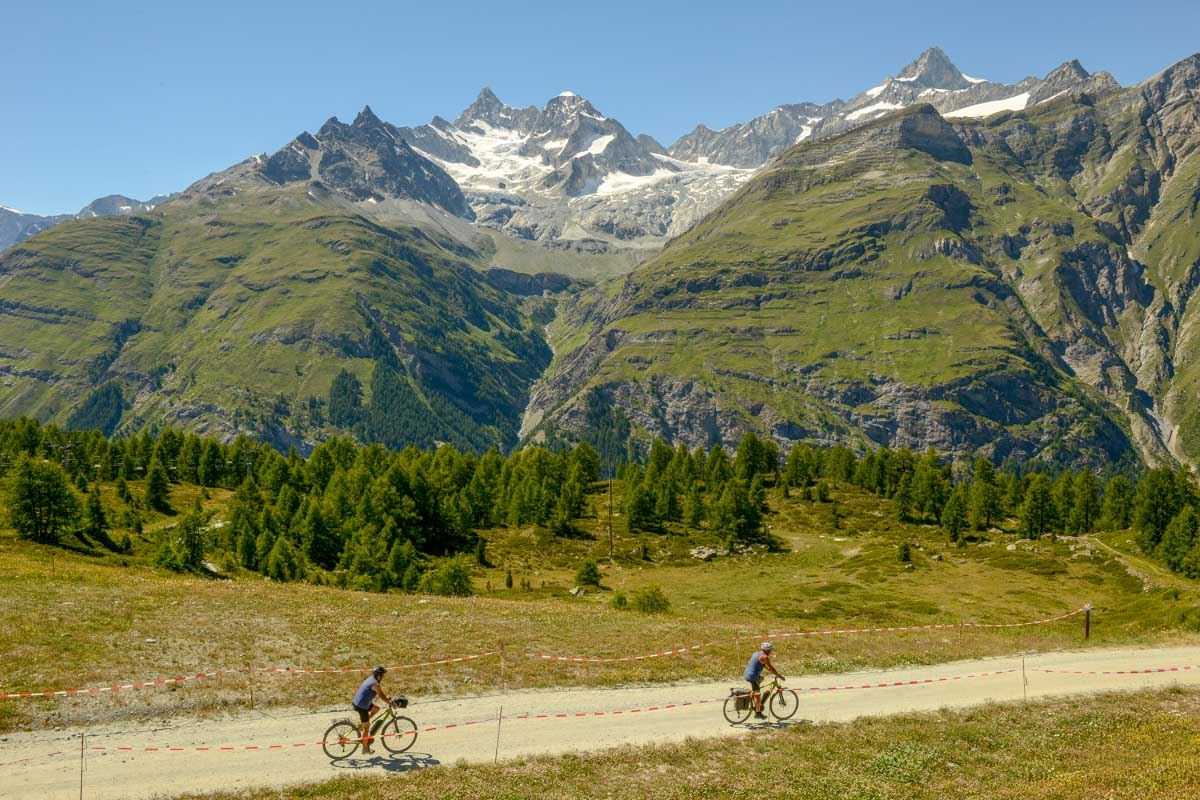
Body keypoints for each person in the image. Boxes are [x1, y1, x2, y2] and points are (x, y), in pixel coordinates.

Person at [352, 665, 393, 754]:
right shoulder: (375, 684)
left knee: (376, 709)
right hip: (362, 706)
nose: (383, 677)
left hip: (358, 702)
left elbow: (381, 694)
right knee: (366, 729)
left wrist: (387, 698)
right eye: (383, 675)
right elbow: (381, 695)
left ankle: (363, 723)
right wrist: (391, 703)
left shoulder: (371, 679)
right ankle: (365, 748)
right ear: (379, 676)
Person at [743, 642, 783, 720]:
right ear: (768, 650)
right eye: (770, 650)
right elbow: (772, 668)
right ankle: (758, 713)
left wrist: (769, 670)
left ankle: (755, 692)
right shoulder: (765, 657)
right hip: (752, 677)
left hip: (747, 673)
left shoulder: (756, 653)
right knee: (758, 696)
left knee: (761, 678)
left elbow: (763, 664)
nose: (771, 651)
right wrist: (779, 676)